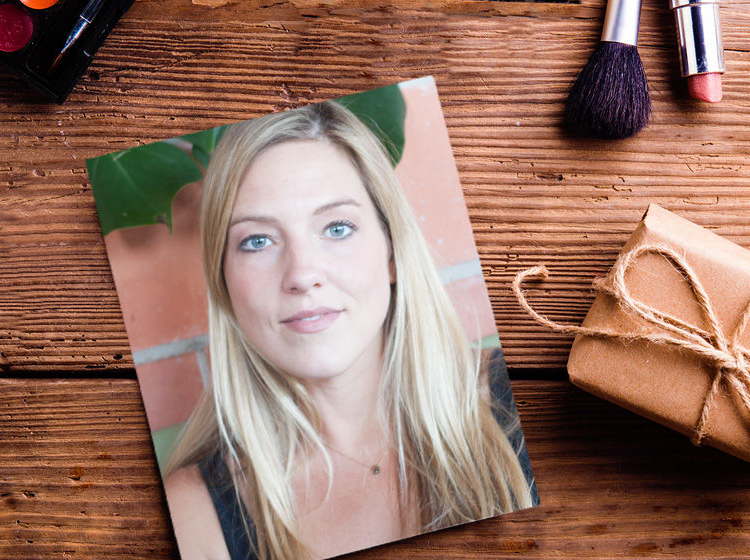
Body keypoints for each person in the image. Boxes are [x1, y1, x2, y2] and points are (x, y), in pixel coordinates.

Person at [163, 100, 537, 560]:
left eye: (337, 228)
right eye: (257, 241)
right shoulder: (193, 515)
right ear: (224, 282)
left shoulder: (526, 397)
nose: (301, 274)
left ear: (392, 251)